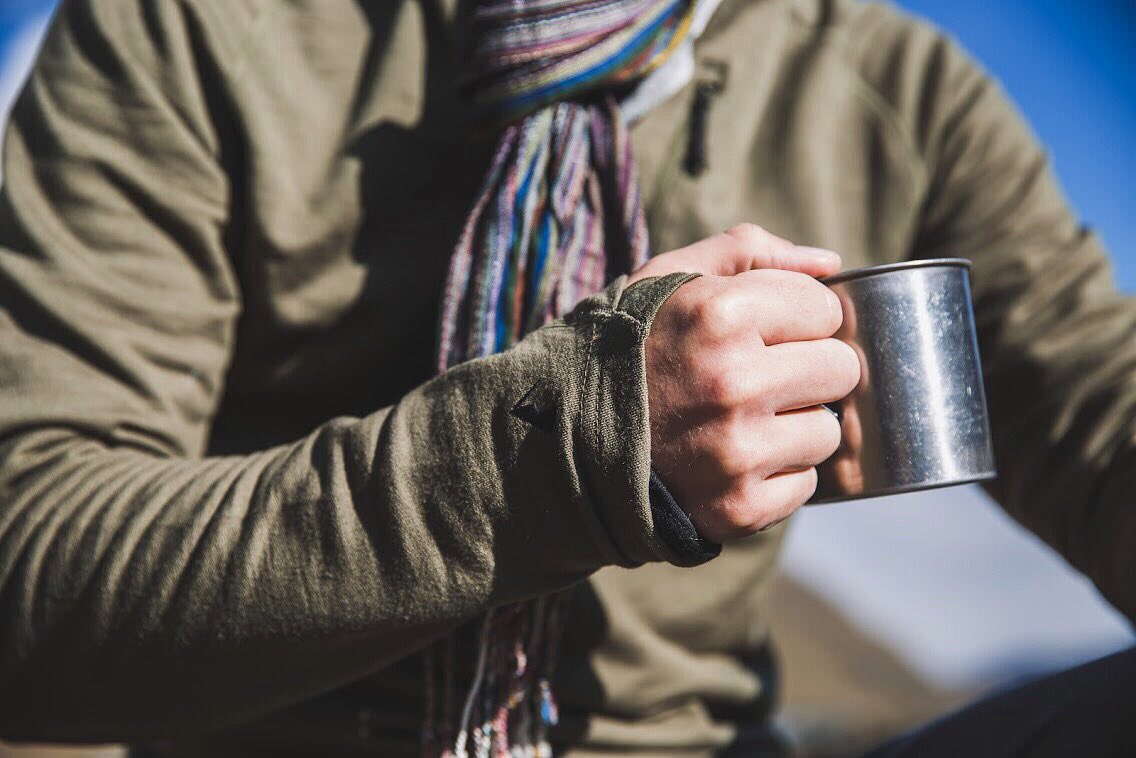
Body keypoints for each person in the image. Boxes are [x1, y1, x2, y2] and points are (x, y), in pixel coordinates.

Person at [0, 0, 1132, 756]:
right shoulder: (191, 28)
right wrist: (575, 443)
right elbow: (27, 571)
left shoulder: (899, 90)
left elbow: (1101, 408)